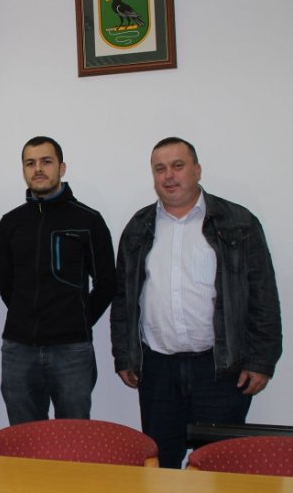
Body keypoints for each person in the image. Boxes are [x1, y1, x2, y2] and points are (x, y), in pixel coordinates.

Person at [111, 137, 282, 468]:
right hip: (158, 371)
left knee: (219, 467)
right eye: (160, 169)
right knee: (161, 467)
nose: (168, 176)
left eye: (177, 166)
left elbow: (263, 294)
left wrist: (261, 360)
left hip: (220, 370)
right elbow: (124, 299)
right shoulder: (138, 227)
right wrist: (124, 354)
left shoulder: (238, 222)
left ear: (197, 170)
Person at [0, 136, 115, 425]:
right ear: (23, 170)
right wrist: (26, 316)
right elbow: (5, 282)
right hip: (19, 348)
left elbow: (107, 283)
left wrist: (78, 319)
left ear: (61, 168)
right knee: (23, 437)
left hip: (72, 349)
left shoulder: (88, 220)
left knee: (72, 436)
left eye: (46, 162)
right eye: (30, 163)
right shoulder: (11, 222)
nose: (38, 169)